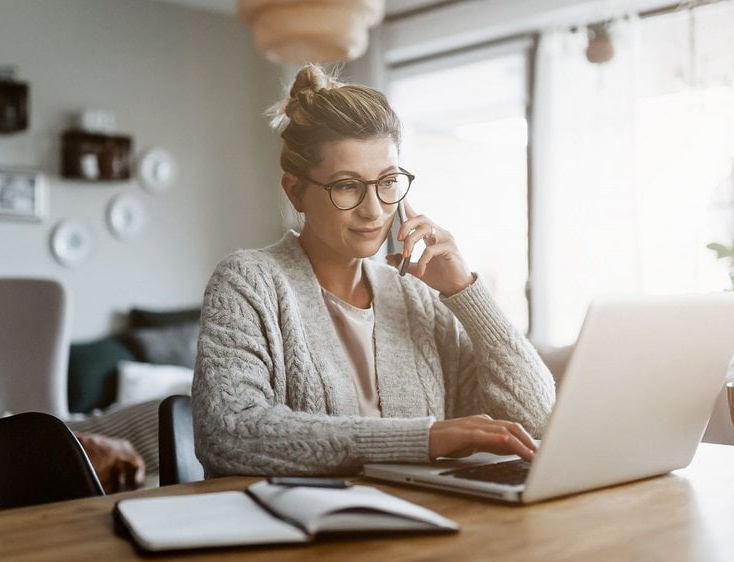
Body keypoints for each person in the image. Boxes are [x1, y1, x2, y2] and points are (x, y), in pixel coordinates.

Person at [191, 64, 555, 478]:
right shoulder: (246, 282)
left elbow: (537, 418)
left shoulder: (415, 297)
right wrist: (426, 438)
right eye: (347, 185)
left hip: (423, 522)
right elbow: (229, 433)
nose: (375, 209)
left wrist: (465, 291)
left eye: (387, 181)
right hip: (302, 533)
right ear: (296, 192)